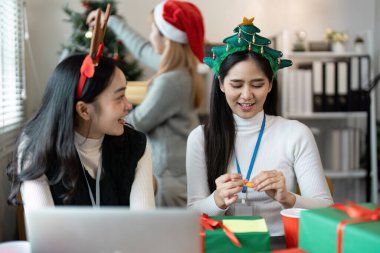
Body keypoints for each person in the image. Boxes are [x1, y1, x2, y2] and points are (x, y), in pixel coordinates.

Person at [186, 17, 333, 235]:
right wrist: (217, 200)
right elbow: (192, 214)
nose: (247, 95)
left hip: (281, 244)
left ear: (271, 84)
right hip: (225, 244)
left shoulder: (296, 133)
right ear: (221, 84)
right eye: (236, 84)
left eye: (257, 84)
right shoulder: (201, 138)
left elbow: (327, 209)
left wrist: (288, 197)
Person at [87, 0, 205, 207]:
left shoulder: (172, 80)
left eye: (153, 31)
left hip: (171, 183)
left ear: (167, 38)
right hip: (174, 176)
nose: (150, 37)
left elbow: (138, 121)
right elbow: (141, 49)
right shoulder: (179, 68)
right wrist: (111, 22)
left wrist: (96, 119)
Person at [7, 53, 155, 209]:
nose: (129, 105)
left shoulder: (135, 145)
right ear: (84, 110)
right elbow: (45, 230)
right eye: (119, 97)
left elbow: (144, 224)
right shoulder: (35, 148)